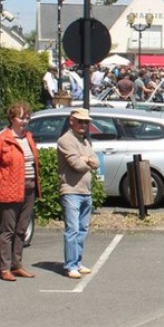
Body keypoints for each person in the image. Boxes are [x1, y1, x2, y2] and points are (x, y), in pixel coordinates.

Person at [0, 102, 40, 281]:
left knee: (21, 229)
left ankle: (17, 265)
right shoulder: (1, 139)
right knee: (7, 230)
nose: (24, 121)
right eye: (21, 117)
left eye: (27, 118)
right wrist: (2, 180)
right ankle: (4, 267)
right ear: (11, 118)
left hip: (29, 187)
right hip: (9, 189)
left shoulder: (28, 137)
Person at [57, 108, 98, 279]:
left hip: (85, 191)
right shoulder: (65, 140)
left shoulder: (85, 141)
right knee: (72, 229)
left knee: (83, 229)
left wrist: (86, 159)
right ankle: (71, 265)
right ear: (71, 121)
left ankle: (78, 262)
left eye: (86, 122)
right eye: (80, 121)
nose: (84, 125)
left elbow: (95, 162)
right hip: (71, 190)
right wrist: (86, 161)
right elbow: (76, 165)